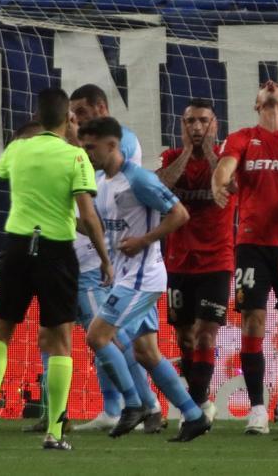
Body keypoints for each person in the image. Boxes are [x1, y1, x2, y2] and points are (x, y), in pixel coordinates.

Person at [0, 87, 109, 451]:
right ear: (69, 119)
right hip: (56, 253)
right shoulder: (76, 157)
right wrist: (106, 259)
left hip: (16, 248)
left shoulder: (18, 149)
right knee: (60, 341)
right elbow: (88, 216)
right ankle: (56, 433)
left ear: (38, 116)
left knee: (1, 331)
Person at [78, 117, 211, 443]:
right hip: (125, 276)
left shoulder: (139, 180)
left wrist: (144, 240)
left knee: (97, 336)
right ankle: (194, 416)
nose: (86, 153)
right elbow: (98, 228)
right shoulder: (101, 181)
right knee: (146, 354)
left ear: (112, 145)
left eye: (91, 147)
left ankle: (134, 405)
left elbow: (180, 214)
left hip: (142, 278)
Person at [52, 84, 161, 433]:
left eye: (81, 112)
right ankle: (116, 407)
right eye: (72, 114)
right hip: (97, 254)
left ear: (101, 109)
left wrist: (70, 141)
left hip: (117, 259)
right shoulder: (82, 146)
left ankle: (147, 405)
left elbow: (98, 183)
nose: (76, 121)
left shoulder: (121, 141)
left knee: (112, 337)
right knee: (104, 336)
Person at [211, 80, 278, 434]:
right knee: (253, 321)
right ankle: (257, 407)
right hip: (252, 245)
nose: (270, 85)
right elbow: (225, 166)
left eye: (276, 87)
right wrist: (220, 181)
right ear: (258, 105)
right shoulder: (243, 137)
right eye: (264, 89)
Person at [157, 99, 233, 421]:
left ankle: (199, 403)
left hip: (217, 259)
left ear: (214, 125)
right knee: (184, 334)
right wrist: (189, 151)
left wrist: (210, 152)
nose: (197, 127)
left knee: (206, 332)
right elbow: (160, 185)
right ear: (182, 126)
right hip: (178, 260)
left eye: (203, 121)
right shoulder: (172, 157)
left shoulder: (228, 160)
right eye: (191, 122)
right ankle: (196, 398)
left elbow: (229, 184)